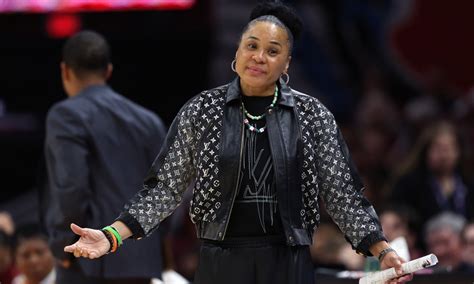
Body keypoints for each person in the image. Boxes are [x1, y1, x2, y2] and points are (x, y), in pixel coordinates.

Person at [63, 2, 412, 284]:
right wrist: (111, 236)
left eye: (273, 50)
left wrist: (383, 251)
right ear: (238, 50)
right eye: (252, 45)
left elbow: (343, 195)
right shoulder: (202, 110)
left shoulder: (312, 115)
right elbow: (164, 189)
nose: (259, 56)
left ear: (287, 62)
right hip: (221, 261)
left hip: (288, 261)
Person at [43, 30, 167, 284]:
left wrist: (62, 246)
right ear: (108, 71)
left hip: (86, 260)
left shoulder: (66, 115)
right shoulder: (150, 121)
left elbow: (71, 189)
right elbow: (167, 195)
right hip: (139, 264)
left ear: (65, 71)